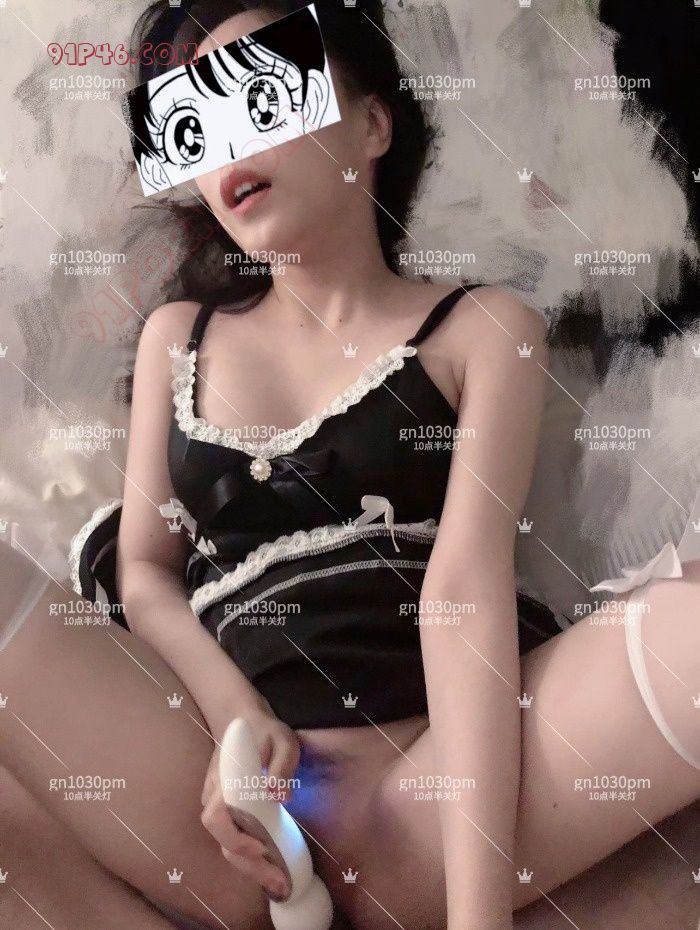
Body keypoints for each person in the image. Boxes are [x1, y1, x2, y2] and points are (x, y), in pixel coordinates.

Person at [0, 3, 698, 929]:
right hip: (218, 801)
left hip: (422, 806)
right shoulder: (178, 338)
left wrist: (476, 915)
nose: (226, 146)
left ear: (371, 123)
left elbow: (463, 591)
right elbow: (144, 574)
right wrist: (235, 720)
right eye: (193, 125)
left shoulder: (486, 329)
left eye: (261, 96)